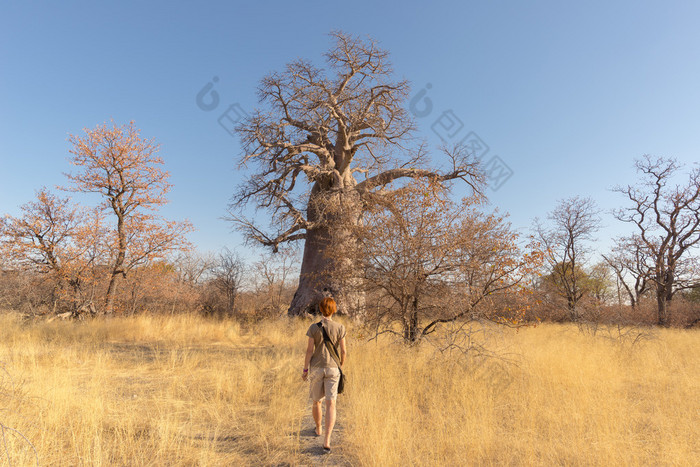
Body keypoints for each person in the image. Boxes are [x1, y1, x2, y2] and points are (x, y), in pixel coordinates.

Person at [301, 297, 346, 452]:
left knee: (316, 401)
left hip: (316, 368)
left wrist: (305, 369)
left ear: (320, 309)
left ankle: (318, 428)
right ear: (334, 310)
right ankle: (327, 439)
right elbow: (344, 351)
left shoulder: (314, 328)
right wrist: (339, 366)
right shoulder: (340, 327)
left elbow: (309, 351)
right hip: (333, 368)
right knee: (331, 403)